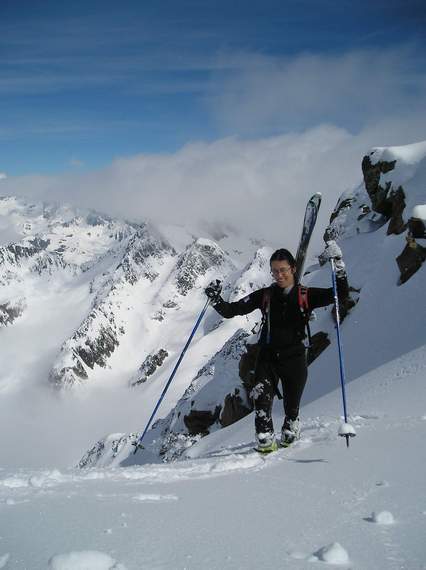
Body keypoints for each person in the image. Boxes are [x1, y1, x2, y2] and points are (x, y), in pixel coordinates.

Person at [204, 241, 349, 453]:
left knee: (291, 410)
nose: (278, 275)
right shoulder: (265, 296)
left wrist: (339, 266)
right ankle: (265, 441)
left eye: (283, 270)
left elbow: (339, 295)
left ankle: (291, 428)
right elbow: (232, 310)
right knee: (261, 403)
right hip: (268, 357)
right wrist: (216, 299)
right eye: (274, 271)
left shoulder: (305, 295)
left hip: (295, 359)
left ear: (293, 269)